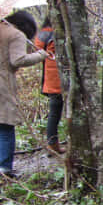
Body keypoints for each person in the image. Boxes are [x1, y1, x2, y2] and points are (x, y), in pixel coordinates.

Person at [0, 11, 47, 177]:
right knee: (5, 126)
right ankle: (4, 168)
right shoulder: (15, 34)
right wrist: (40, 55)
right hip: (3, 84)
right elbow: (18, 60)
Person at [34, 17, 66, 154]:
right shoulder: (54, 33)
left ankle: (53, 144)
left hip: (52, 79)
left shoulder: (43, 34)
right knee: (55, 113)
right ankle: (53, 145)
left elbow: (37, 51)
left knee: (54, 113)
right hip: (57, 78)